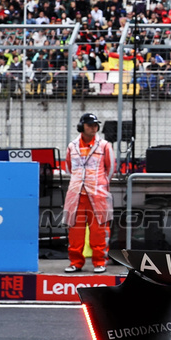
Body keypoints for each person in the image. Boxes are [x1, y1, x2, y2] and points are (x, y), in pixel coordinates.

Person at [64, 113, 115, 274]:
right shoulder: (72, 146)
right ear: (82, 127)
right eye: (89, 125)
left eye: (95, 125)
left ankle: (100, 262)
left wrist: (99, 184)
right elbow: (69, 168)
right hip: (76, 194)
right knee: (75, 231)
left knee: (99, 231)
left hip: (98, 195)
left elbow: (111, 169)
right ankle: (75, 262)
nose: (93, 127)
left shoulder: (105, 145)